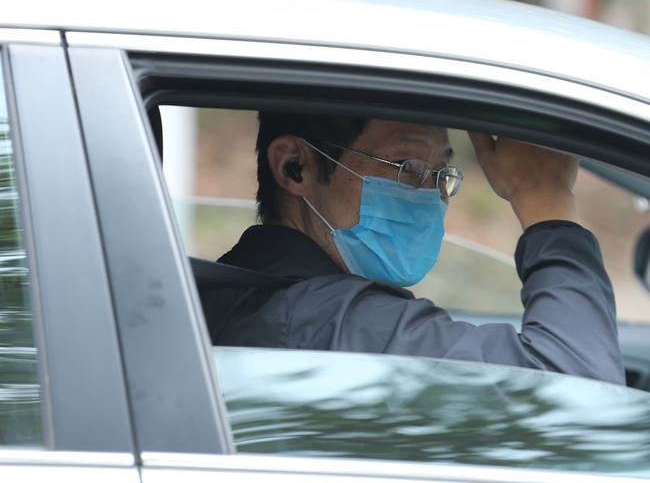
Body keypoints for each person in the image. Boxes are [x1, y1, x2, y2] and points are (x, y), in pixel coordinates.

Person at [201, 112, 624, 385]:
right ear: (295, 165)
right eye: (409, 168)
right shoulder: (331, 323)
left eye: (440, 173)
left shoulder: (238, 289)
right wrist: (544, 195)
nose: (432, 195)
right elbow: (583, 388)